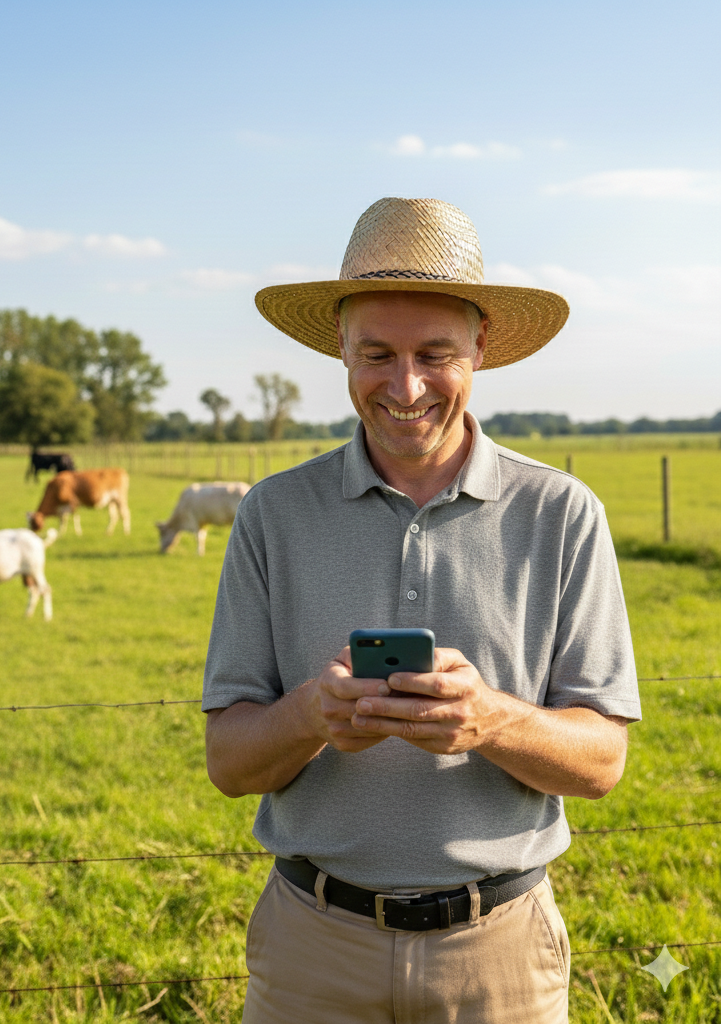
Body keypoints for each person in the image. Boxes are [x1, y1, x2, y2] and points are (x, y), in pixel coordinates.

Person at [202, 197, 641, 1024]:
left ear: (481, 347)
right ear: (340, 346)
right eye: (376, 353)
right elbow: (229, 762)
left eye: (435, 353)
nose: (405, 387)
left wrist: (492, 720)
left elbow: (603, 763)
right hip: (311, 949)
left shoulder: (561, 512)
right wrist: (313, 715)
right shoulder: (272, 513)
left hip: (498, 955)